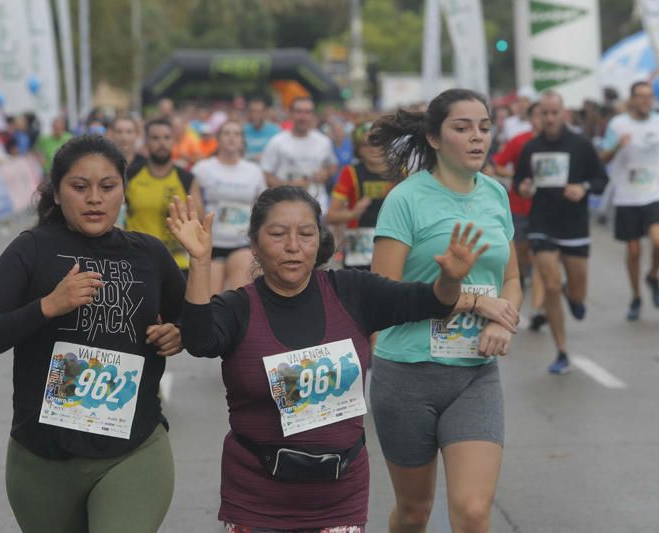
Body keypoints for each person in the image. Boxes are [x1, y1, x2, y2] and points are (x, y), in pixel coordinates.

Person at [169, 185, 488, 532]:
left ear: (319, 241)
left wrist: (450, 280)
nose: (293, 246)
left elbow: (428, 301)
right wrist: (200, 262)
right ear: (254, 244)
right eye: (277, 234)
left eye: (306, 234)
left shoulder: (352, 292)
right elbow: (201, 341)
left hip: (340, 499)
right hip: (256, 500)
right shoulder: (237, 307)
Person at [0, 135, 186, 533]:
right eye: (80, 187)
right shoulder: (30, 250)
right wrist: (49, 305)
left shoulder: (149, 253)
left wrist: (178, 332)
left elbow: (196, 327)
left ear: (124, 189)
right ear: (58, 191)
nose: (94, 199)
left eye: (107, 186)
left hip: (133, 449)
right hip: (42, 458)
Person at [368, 88, 521, 533]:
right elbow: (383, 296)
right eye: (463, 127)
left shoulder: (495, 195)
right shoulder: (405, 200)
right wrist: (461, 293)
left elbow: (511, 280)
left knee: (473, 512)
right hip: (407, 375)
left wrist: (502, 319)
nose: (477, 138)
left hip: (474, 374)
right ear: (434, 138)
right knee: (415, 513)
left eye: (485, 127)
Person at [515, 91, 608, 374]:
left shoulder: (581, 144)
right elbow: (520, 180)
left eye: (555, 112)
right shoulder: (531, 147)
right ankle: (562, 351)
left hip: (574, 225)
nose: (550, 118)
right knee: (551, 284)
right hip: (542, 222)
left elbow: (602, 179)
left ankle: (575, 296)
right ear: (538, 116)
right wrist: (524, 187)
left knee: (577, 294)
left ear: (564, 113)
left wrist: (584, 189)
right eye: (545, 113)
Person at [601, 81, 659, 321]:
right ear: (632, 99)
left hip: (654, 192)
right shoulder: (618, 124)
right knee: (633, 250)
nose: (646, 101)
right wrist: (616, 146)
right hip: (627, 196)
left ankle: (653, 276)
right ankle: (636, 296)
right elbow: (603, 157)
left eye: (649, 96)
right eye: (641, 97)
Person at [192, 119, 267, 294]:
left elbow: (263, 206)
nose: (231, 138)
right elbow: (194, 201)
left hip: (242, 241)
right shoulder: (202, 168)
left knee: (238, 296)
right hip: (212, 242)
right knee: (211, 299)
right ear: (218, 138)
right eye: (226, 133)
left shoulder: (253, 171)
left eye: (236, 134)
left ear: (242, 140)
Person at [125, 117, 204, 274]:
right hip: (138, 260)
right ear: (146, 142)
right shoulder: (130, 175)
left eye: (166, 138)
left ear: (173, 141)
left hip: (178, 264)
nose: (161, 143)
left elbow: (199, 220)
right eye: (155, 138)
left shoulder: (186, 178)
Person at [493, 102, 546, 330]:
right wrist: (518, 174)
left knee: (540, 259)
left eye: (548, 114)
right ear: (531, 118)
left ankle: (537, 311)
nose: (543, 119)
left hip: (547, 210)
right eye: (539, 115)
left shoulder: (558, 143)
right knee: (523, 258)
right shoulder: (520, 141)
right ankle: (521, 280)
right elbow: (497, 164)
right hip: (520, 207)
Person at [325, 122, 394, 270]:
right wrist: (353, 214)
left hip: (393, 244)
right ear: (358, 149)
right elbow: (330, 216)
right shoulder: (350, 173)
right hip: (359, 249)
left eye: (378, 142)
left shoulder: (400, 172)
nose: (373, 148)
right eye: (365, 144)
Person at [260, 96, 338, 211]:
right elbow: (265, 175)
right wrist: (288, 185)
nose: (303, 117)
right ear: (290, 114)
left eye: (307, 112)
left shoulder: (323, 141)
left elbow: (333, 166)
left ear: (312, 115)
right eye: (298, 112)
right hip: (285, 206)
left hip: (318, 205)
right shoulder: (277, 141)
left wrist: (325, 174)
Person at [243, 97, 281, 162]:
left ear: (265, 112)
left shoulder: (275, 131)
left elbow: (279, 153)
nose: (255, 114)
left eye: (258, 111)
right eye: (252, 111)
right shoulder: (243, 130)